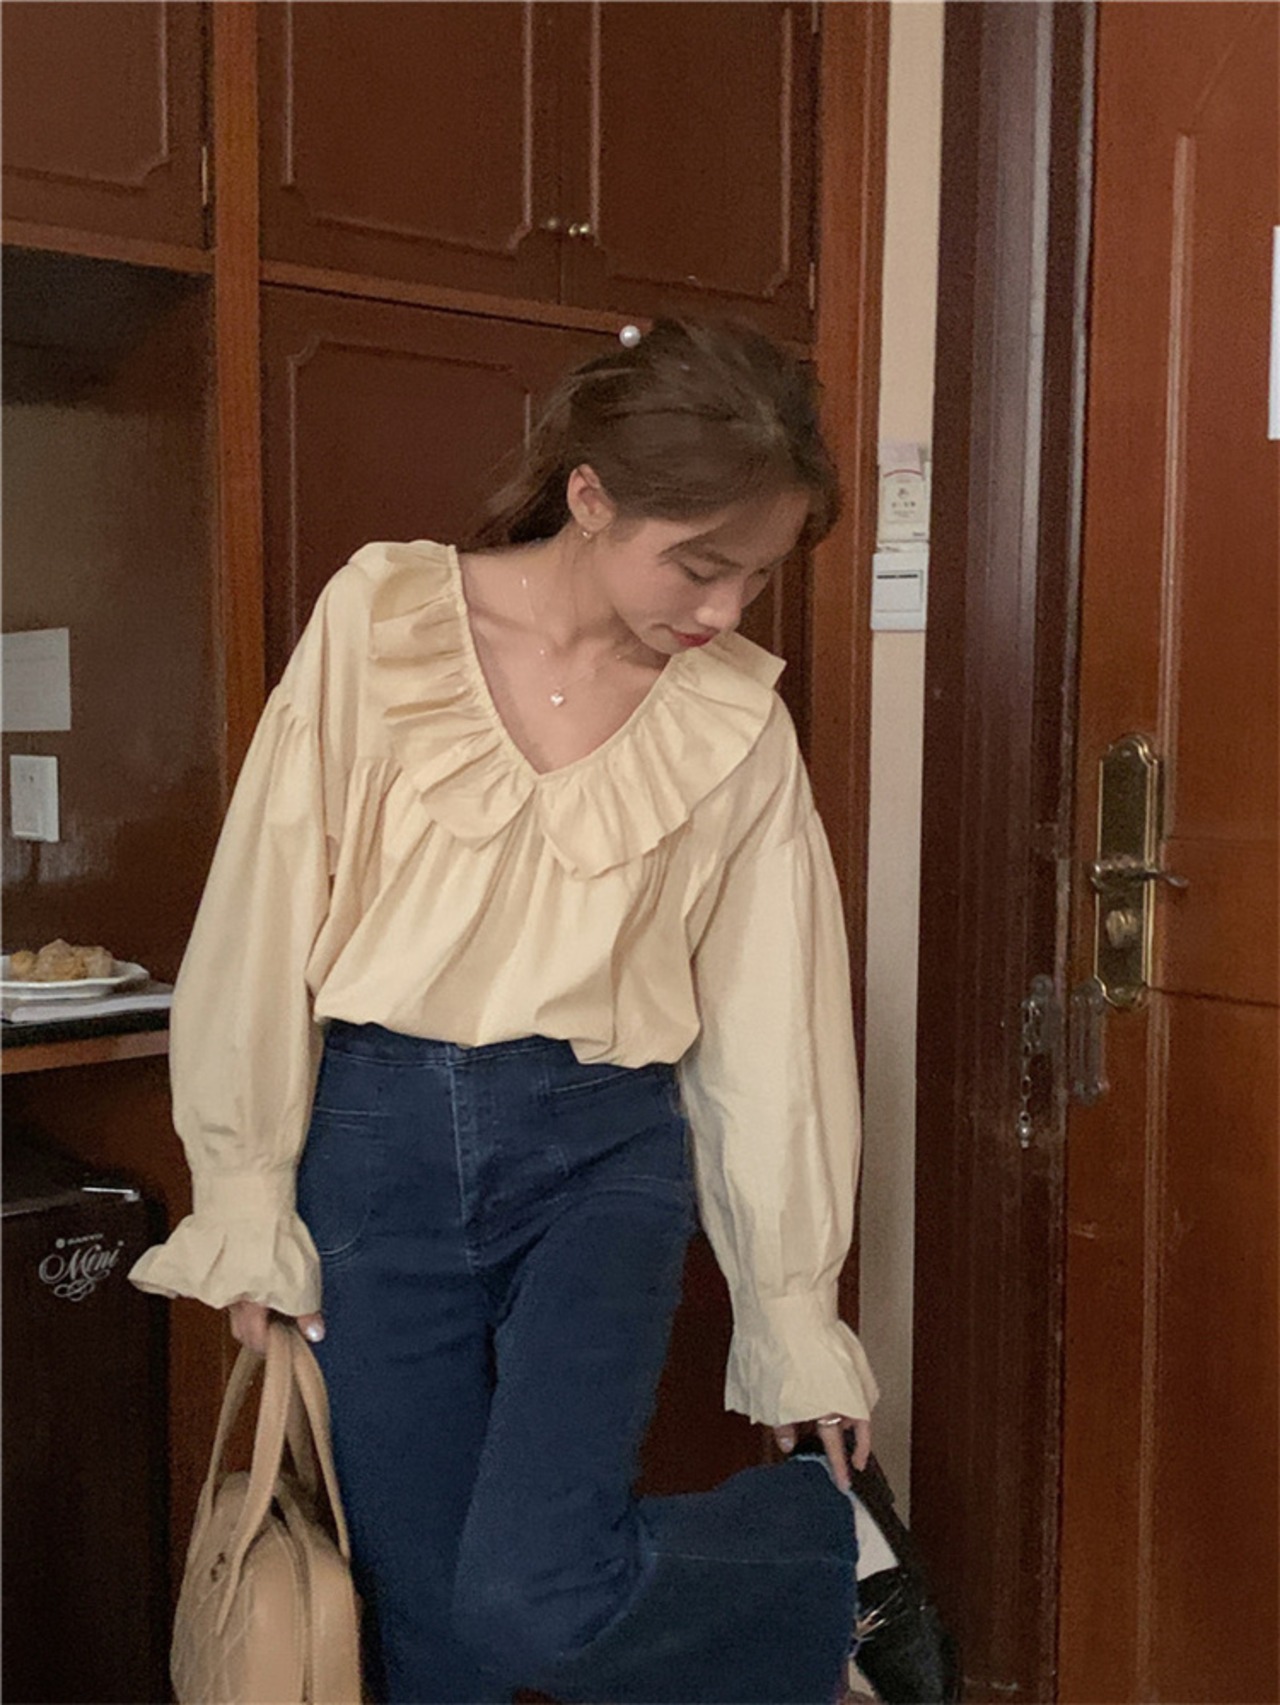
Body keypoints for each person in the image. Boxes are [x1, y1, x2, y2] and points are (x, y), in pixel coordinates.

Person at [131, 318, 887, 1705]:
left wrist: (791, 1310)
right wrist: (244, 1195)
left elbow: (771, 1030)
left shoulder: (736, 724)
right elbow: (266, 897)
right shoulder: (382, 619)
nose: (726, 612)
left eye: (760, 575)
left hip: (604, 1157)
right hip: (375, 1142)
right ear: (590, 496)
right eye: (700, 565)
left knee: (532, 1594)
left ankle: (831, 1559)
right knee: (429, 1629)